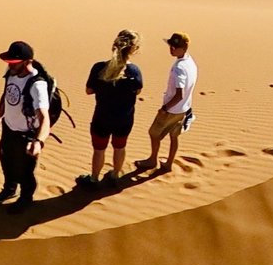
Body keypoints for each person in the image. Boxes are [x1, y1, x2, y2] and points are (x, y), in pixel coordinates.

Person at [0, 40, 52, 213]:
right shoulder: (11, 72)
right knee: (6, 161)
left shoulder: (37, 85)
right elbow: (6, 96)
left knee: (25, 171)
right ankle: (9, 190)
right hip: (9, 129)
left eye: (14, 62)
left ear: (27, 62)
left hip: (27, 134)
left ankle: (26, 199)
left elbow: (44, 117)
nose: (10, 65)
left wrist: (39, 141)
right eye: (9, 62)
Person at [79, 30, 145, 188]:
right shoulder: (134, 72)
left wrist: (104, 88)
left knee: (99, 149)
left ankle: (94, 179)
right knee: (120, 147)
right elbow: (138, 90)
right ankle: (115, 174)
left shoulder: (99, 68)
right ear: (134, 50)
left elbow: (89, 90)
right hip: (124, 119)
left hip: (102, 118)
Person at [143, 32, 197, 176]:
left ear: (183, 48)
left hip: (172, 110)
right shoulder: (190, 62)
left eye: (175, 47)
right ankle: (168, 163)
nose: (171, 49)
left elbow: (179, 94)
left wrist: (165, 108)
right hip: (184, 108)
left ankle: (152, 160)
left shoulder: (179, 68)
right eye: (170, 46)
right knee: (174, 135)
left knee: (154, 133)